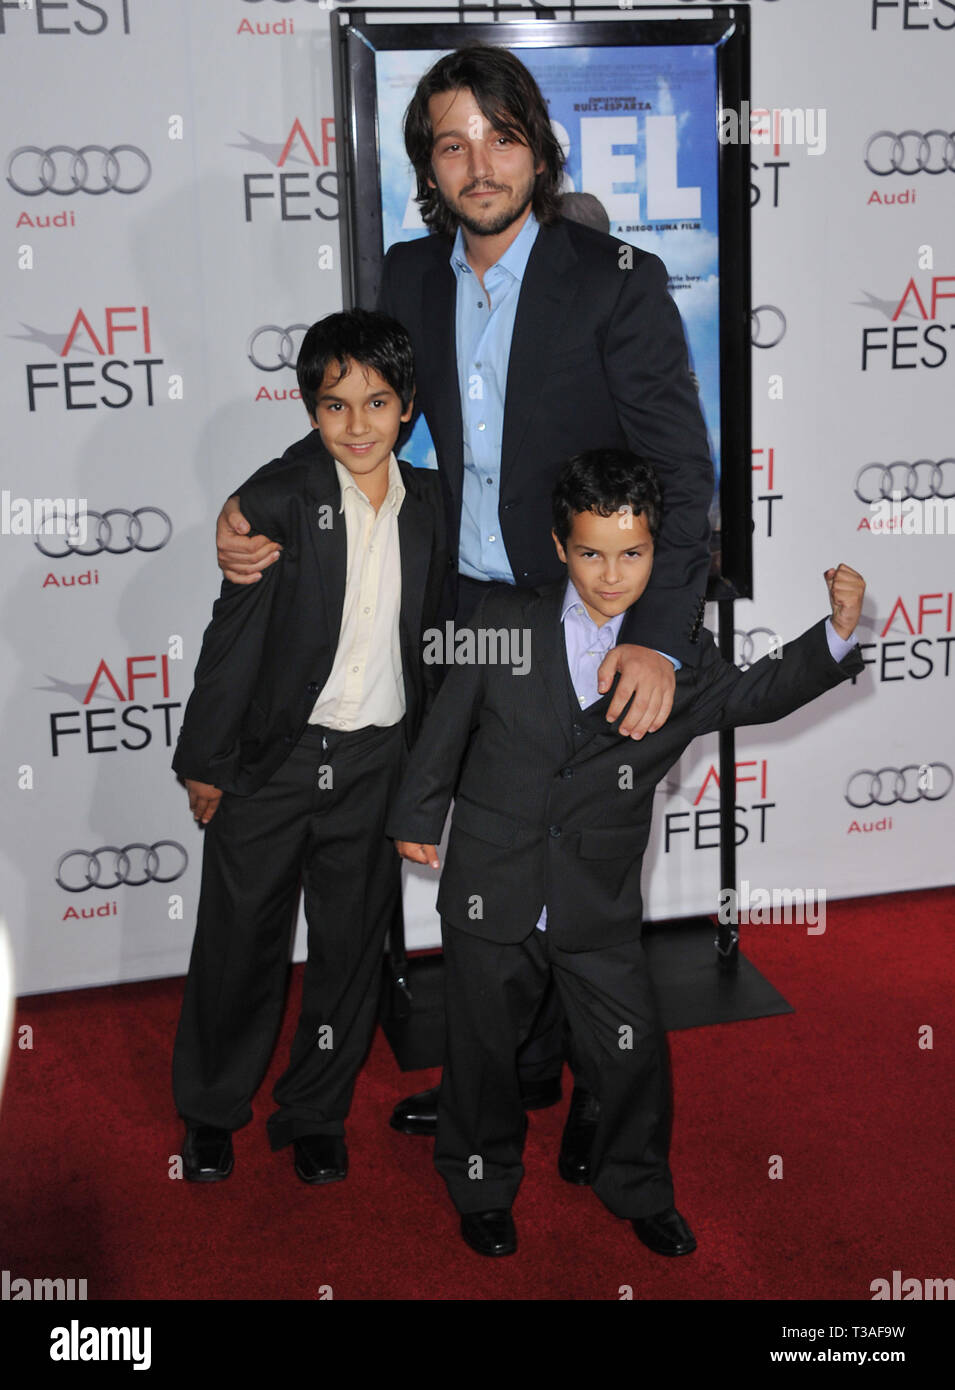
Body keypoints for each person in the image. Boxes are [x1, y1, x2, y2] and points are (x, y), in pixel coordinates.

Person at [214, 43, 715, 1161]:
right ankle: (515, 1076)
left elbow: (684, 478)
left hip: (589, 624)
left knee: (582, 891)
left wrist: (662, 644)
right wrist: (249, 506)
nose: (477, 162)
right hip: (471, 620)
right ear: (426, 169)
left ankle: (596, 1095)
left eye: (499, 137)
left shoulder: (615, 278)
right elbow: (359, 422)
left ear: (537, 150)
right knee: (488, 884)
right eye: (451, 142)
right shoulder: (405, 276)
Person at [387, 449, 866, 1257]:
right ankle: (480, 1184)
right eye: (591, 553)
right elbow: (448, 722)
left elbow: (757, 694)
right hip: (489, 884)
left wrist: (834, 636)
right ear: (558, 545)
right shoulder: (502, 620)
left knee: (631, 1052)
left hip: (594, 897)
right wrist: (417, 809)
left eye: (632, 553)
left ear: (657, 551)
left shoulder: (678, 655)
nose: (611, 575)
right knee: (480, 1052)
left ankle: (636, 1186)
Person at [171, 310, 448, 1184]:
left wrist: (431, 776)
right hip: (274, 761)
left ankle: (316, 1110)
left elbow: (437, 642)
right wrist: (207, 762)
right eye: (334, 406)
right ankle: (213, 1108)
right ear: (309, 410)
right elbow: (234, 636)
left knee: (348, 945)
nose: (357, 426)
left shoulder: (432, 506)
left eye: (376, 403)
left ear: (407, 407)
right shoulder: (280, 497)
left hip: (375, 762)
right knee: (237, 941)